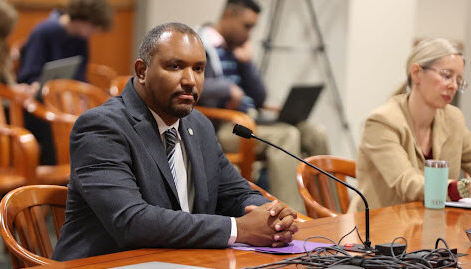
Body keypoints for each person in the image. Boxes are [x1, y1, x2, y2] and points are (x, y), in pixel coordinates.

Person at [52, 22, 298, 261]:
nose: (190, 80)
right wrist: (239, 229)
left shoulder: (197, 125)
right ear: (142, 71)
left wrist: (270, 216)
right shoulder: (101, 127)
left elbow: (234, 193)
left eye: (199, 69)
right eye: (175, 66)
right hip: (107, 262)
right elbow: (132, 222)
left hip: (178, 259)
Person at [196, 0, 328, 211]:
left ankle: (329, 209)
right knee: (286, 135)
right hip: (225, 125)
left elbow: (259, 96)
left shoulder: (236, 49)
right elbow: (197, 87)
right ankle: (295, 214)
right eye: (246, 26)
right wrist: (226, 88)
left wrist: (247, 63)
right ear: (229, 15)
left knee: (314, 132)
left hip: (250, 118)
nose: (249, 34)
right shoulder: (200, 43)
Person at [349, 38, 471, 212]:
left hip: (433, 225)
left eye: (458, 80)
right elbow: (407, 183)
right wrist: (461, 188)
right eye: (447, 75)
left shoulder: (453, 118)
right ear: (417, 73)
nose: (453, 86)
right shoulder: (382, 121)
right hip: (378, 230)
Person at [16, 0, 113, 84]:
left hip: (67, 95)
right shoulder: (44, 31)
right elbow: (28, 75)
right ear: (82, 18)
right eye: (93, 28)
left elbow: (80, 75)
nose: (93, 33)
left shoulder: (80, 38)